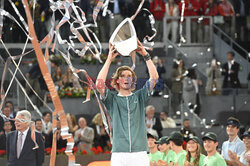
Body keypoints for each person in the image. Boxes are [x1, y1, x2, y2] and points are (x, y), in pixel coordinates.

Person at [95, 39, 159, 166]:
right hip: (119, 152)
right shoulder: (112, 99)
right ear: (117, 80)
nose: (126, 78)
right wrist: (109, 59)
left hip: (140, 152)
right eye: (123, 76)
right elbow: (99, 84)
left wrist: (146, 55)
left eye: (129, 76)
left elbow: (154, 78)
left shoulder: (140, 96)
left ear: (133, 81)